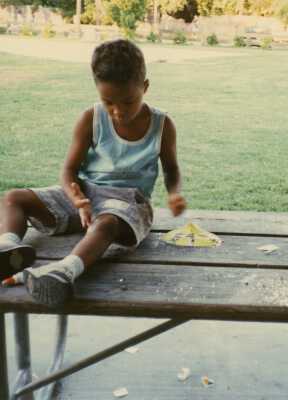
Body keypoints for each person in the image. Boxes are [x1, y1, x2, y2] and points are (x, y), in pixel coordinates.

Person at [0, 39, 187, 307]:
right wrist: (76, 198)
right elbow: (68, 170)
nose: (118, 111)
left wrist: (174, 193)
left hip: (127, 203)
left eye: (128, 101)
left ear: (145, 87)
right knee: (13, 197)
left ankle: (64, 271)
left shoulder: (162, 124)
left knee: (106, 223)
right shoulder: (91, 117)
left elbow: (172, 169)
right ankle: (8, 249)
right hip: (86, 194)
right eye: (108, 101)